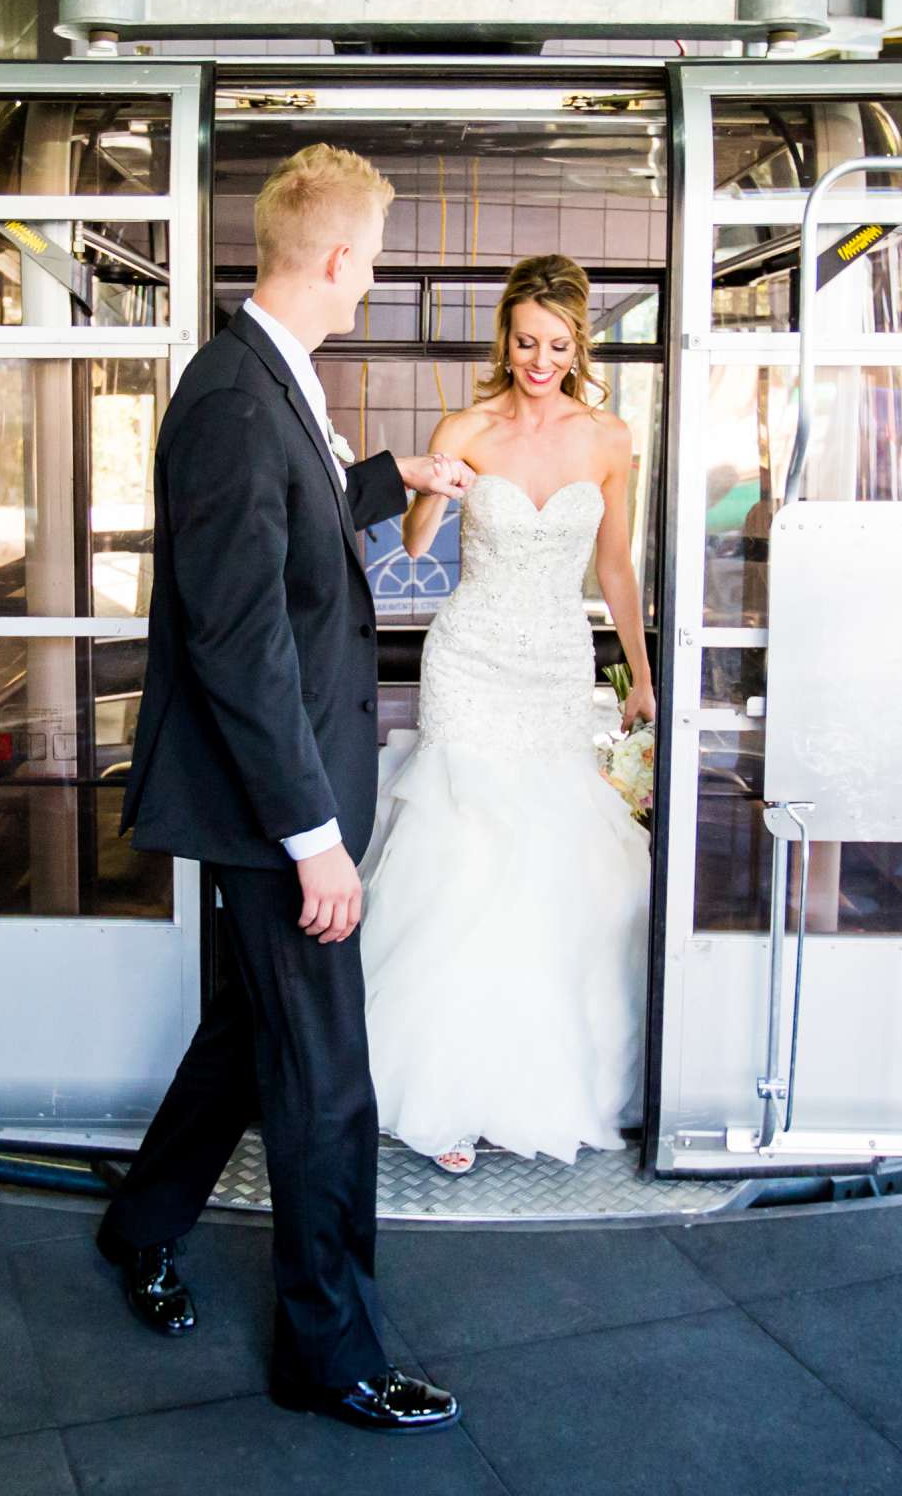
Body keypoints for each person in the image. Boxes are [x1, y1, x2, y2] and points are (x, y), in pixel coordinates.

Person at [101, 144, 474, 1435]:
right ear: (332, 258)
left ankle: (141, 1221)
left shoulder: (268, 379)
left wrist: (391, 483)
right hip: (280, 813)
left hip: (287, 795)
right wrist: (316, 839)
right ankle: (334, 1357)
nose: (371, 280)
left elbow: (291, 527)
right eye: (369, 257)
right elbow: (238, 637)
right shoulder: (233, 399)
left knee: (248, 1043)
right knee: (324, 1083)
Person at [359, 254, 656, 1175]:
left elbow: (614, 570)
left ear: (578, 345)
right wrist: (432, 493)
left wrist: (638, 675)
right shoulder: (465, 425)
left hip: (558, 663)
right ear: (506, 337)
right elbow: (414, 547)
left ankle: (537, 1074)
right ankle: (440, 1090)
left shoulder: (609, 439)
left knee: (552, 861)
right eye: (525, 341)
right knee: (461, 856)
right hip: (472, 658)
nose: (539, 358)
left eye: (557, 344)